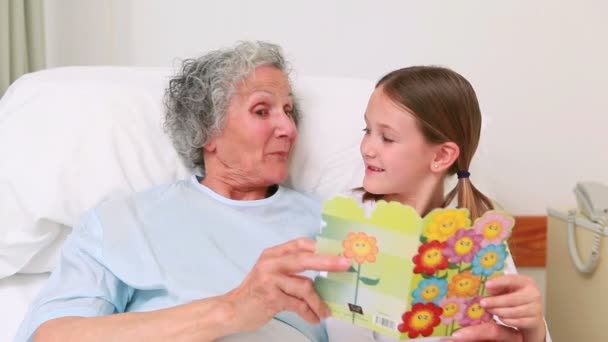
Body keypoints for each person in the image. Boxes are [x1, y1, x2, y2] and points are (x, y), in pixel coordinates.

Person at [15, 41, 351, 342]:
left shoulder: (335, 225)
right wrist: (230, 311)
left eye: (289, 112)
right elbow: (50, 335)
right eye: (262, 111)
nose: (289, 129)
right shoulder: (123, 221)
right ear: (208, 129)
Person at [326, 66, 550, 342]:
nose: (367, 148)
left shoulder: (478, 237)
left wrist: (533, 331)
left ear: (442, 156)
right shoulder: (352, 223)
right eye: (367, 130)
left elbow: (515, 332)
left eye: (387, 137)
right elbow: (344, 334)